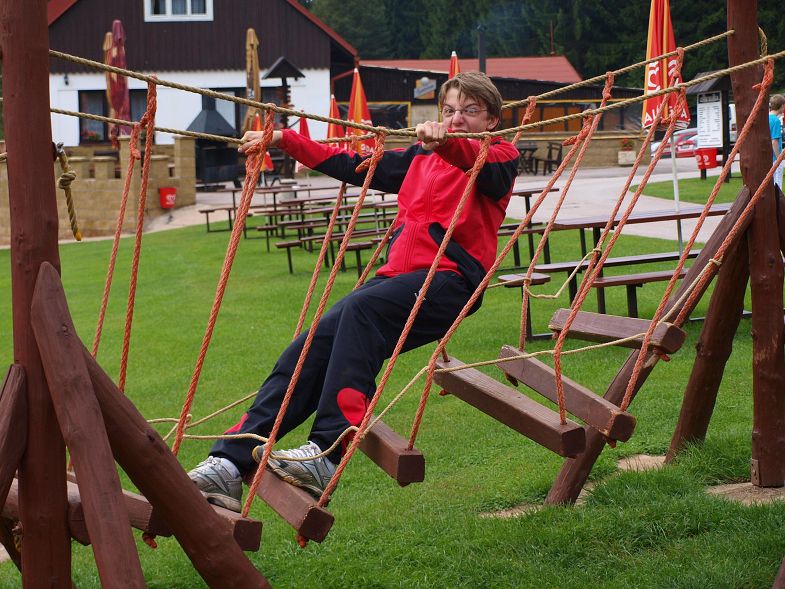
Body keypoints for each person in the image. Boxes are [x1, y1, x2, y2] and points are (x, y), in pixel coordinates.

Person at [187, 72, 519, 512]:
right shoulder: (419, 158)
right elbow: (351, 164)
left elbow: (477, 163)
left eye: (470, 111)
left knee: (361, 309)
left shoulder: (502, 157)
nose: (457, 119)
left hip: (451, 281)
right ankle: (228, 463)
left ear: (492, 120)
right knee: (310, 346)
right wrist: (286, 139)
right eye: (449, 110)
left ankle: (326, 452)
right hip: (397, 282)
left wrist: (444, 143)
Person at [769, 94, 785, 187]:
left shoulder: (766, 118)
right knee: (777, 184)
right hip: (775, 158)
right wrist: (779, 158)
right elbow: (774, 141)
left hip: (767, 158)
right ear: (782, 105)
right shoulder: (776, 121)